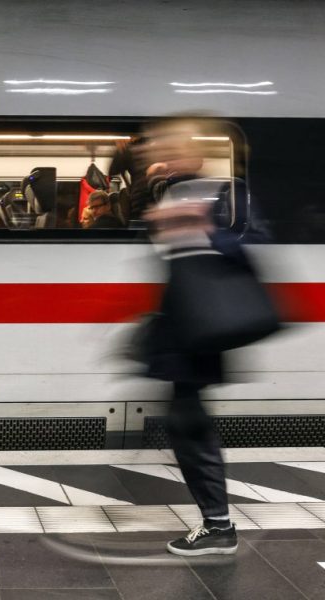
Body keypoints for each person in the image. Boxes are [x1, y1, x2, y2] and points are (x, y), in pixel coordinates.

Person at [140, 117, 239, 557]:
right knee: (188, 422)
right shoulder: (182, 193)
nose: (156, 157)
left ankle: (218, 524)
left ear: (191, 155)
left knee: (190, 426)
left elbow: (207, 256)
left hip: (194, 331)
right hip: (188, 329)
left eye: (167, 149)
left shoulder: (202, 194)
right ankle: (217, 522)